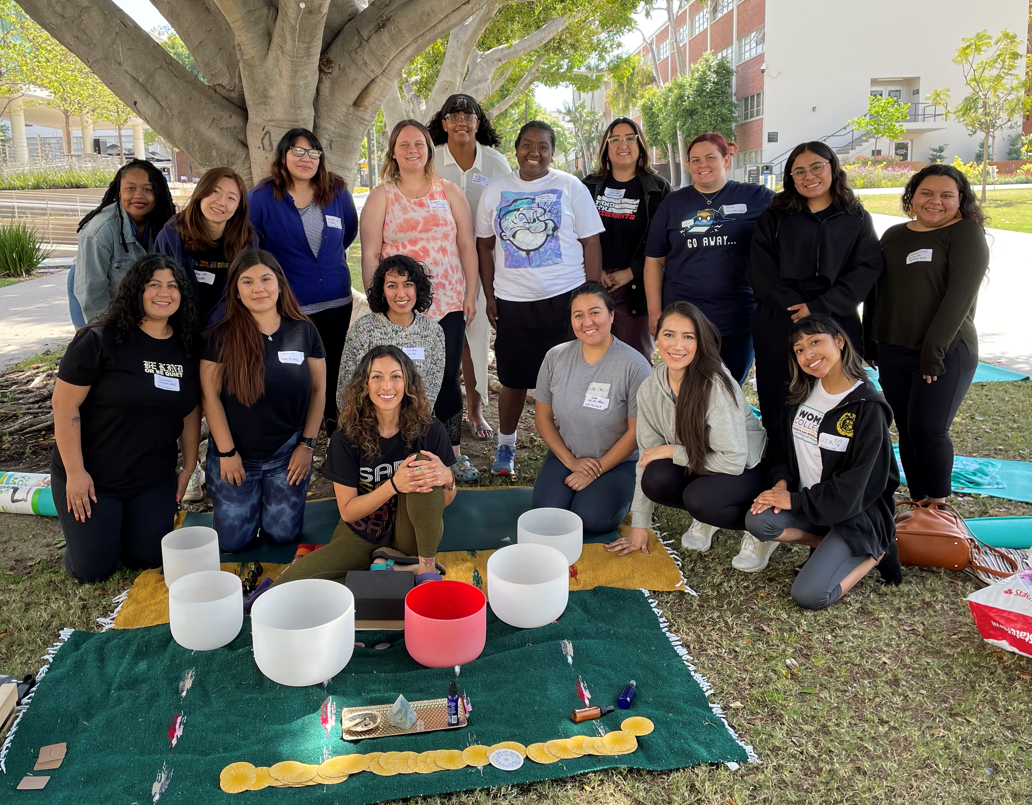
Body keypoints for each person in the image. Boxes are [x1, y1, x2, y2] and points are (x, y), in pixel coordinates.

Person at [51, 255, 201, 582]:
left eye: (173, 286)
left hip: (151, 478)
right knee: (93, 570)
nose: (164, 293)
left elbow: (190, 409)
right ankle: (88, 536)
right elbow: (64, 407)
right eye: (154, 285)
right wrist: (75, 473)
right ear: (136, 290)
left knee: (146, 559)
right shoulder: (98, 339)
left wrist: (189, 467)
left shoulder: (187, 345)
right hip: (93, 476)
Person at [744, 315, 902, 608]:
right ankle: (823, 544)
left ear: (839, 341)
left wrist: (796, 501)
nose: (808, 355)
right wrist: (781, 485)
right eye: (800, 349)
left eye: (816, 342)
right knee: (759, 519)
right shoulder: (800, 394)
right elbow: (780, 449)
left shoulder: (867, 407)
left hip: (855, 515)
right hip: (813, 505)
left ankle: (876, 552)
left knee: (809, 596)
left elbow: (856, 486)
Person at [476, 120, 605, 477]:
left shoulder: (570, 186)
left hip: (564, 300)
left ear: (553, 151)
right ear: (515, 149)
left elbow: (591, 241)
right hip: (513, 302)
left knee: (570, 380)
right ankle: (505, 446)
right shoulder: (495, 191)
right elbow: (484, 245)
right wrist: (490, 294)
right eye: (527, 145)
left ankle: (573, 448)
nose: (535, 153)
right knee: (514, 379)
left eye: (543, 147)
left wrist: (590, 299)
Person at [273, 345, 457, 586]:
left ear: (408, 382)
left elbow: (442, 501)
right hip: (362, 531)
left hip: (412, 535)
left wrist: (448, 480)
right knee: (288, 586)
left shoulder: (430, 428)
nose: (387, 386)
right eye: (377, 377)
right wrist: (393, 485)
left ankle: (425, 568)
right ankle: (391, 568)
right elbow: (348, 511)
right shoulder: (346, 437)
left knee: (423, 465)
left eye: (396, 376)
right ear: (365, 385)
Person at [360, 119, 479, 480]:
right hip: (398, 306)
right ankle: (402, 450)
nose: (412, 150)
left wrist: (470, 293)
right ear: (393, 151)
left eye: (419, 144)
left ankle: (453, 453)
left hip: (447, 302)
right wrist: (376, 302)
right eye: (404, 144)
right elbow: (369, 254)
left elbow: (466, 246)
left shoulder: (448, 191)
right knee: (400, 378)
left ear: (429, 149)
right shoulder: (382, 196)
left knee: (446, 378)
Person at [864, 164, 988, 504]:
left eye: (946, 195)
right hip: (893, 349)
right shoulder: (894, 235)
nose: (936, 201)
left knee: (929, 431)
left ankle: (938, 503)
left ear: (960, 199)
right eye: (927, 193)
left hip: (946, 351)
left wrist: (932, 355)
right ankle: (919, 500)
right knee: (906, 430)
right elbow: (878, 292)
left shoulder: (965, 233)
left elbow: (958, 301)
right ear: (912, 197)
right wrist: (870, 341)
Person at [609, 302, 766, 559]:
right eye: (669, 334)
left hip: (746, 467)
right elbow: (646, 457)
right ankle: (707, 515)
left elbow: (734, 460)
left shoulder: (716, 384)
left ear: (700, 342)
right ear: (656, 338)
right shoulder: (650, 388)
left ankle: (760, 527)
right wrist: (640, 525)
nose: (677, 345)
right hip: (704, 463)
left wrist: (672, 450)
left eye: (688, 337)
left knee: (701, 500)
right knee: (655, 478)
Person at [749, 141, 883, 436]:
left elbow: (866, 269)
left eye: (816, 167)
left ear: (833, 168)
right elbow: (761, 271)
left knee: (837, 402)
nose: (808, 176)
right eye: (799, 171)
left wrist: (819, 307)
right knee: (779, 401)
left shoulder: (855, 217)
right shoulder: (774, 217)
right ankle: (781, 472)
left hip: (837, 320)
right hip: (779, 320)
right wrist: (798, 309)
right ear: (790, 178)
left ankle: (833, 472)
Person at [200, 250, 326, 553]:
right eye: (248, 282)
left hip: (287, 454)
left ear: (280, 284)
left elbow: (319, 391)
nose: (259, 289)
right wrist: (227, 452)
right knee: (232, 543)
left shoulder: (303, 330)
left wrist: (307, 445)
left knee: (283, 536)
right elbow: (210, 396)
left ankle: (266, 503)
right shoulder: (220, 336)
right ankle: (248, 503)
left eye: (266, 279)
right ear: (236, 291)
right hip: (235, 458)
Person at [249, 128, 358, 434]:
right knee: (295, 370)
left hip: (337, 299)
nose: (306, 158)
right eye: (297, 151)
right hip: (291, 305)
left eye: (313, 152)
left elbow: (347, 233)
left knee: (333, 365)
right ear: (283, 156)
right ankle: (296, 434)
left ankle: (335, 431)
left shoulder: (337, 191)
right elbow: (252, 247)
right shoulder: (262, 197)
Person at [644, 133, 774, 383]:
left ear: (726, 160)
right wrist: (654, 312)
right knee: (688, 390)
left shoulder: (757, 197)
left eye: (710, 157)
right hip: (684, 319)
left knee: (730, 388)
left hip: (738, 317)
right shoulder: (673, 204)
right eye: (695, 160)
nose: (702, 164)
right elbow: (654, 261)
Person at [532, 282, 652, 533]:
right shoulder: (555, 357)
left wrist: (595, 470)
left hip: (617, 461)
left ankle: (624, 496)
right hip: (567, 455)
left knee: (589, 518)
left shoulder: (635, 365)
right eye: (579, 315)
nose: (587, 322)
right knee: (547, 515)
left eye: (595, 312)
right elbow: (543, 417)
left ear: (611, 314)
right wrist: (572, 462)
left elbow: (635, 433)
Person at [428, 93, 511, 441]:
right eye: (454, 115)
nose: (462, 121)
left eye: (469, 115)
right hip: (436, 263)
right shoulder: (430, 159)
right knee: (440, 339)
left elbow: (507, 213)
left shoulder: (496, 164)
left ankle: (475, 409)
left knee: (476, 338)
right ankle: (433, 410)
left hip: (481, 262)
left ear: (479, 123)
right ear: (443, 123)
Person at [583, 117, 672, 361]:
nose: (623, 144)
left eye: (630, 138)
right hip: (593, 283)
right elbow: (572, 235)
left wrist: (631, 272)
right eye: (615, 139)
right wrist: (594, 269)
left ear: (640, 145)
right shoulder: (587, 187)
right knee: (593, 358)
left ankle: (635, 402)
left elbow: (667, 242)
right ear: (606, 148)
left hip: (637, 288)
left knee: (635, 361)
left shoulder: (658, 189)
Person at [338, 255, 446, 410]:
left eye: (407, 284)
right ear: (382, 291)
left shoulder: (433, 333)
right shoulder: (363, 330)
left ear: (417, 288)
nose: (401, 294)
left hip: (413, 424)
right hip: (366, 423)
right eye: (392, 286)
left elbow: (430, 392)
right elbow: (345, 388)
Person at [74, 159, 176, 323]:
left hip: (138, 307)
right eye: (130, 188)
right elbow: (91, 295)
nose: (139, 195)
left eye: (147, 189)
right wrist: (106, 334)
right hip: (94, 301)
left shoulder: (165, 224)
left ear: (158, 193)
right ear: (119, 191)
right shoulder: (98, 231)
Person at [155, 166, 257, 327]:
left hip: (225, 330)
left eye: (231, 198)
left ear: (239, 207)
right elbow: (157, 286)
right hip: (177, 328)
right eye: (215, 192)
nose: (221, 202)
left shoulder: (248, 241)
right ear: (201, 192)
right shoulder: (171, 236)